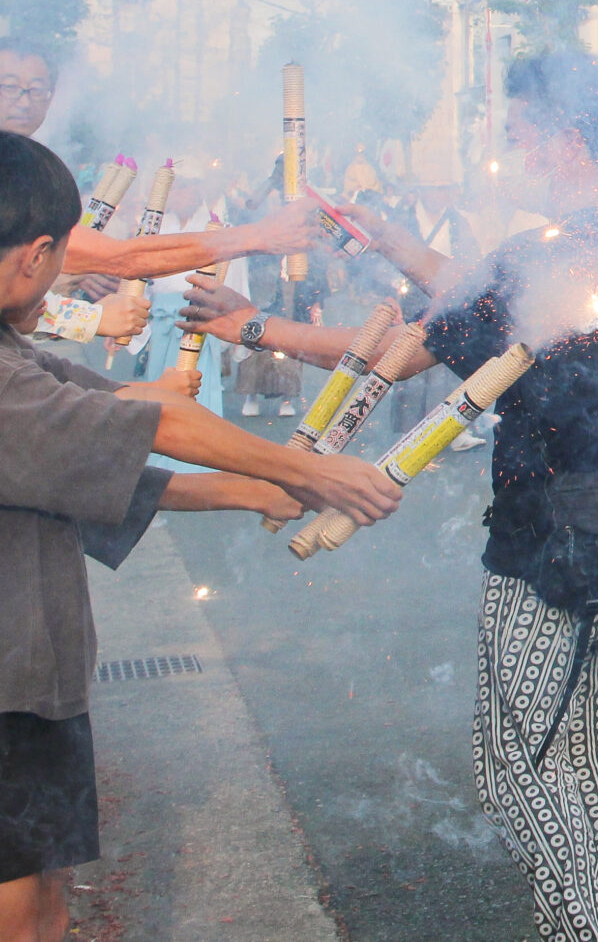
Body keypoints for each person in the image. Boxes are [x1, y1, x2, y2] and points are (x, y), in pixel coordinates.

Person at [0, 131, 400, 942]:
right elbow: (148, 419)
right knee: (15, 901)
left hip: (31, 680)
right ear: (34, 255)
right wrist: (316, 476)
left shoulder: (16, 356)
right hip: (4, 690)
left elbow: (98, 439)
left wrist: (250, 484)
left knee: (45, 893)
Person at [416, 50, 598, 942]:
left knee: (513, 766)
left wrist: (253, 321)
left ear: (569, 138)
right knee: (585, 764)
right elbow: (458, 308)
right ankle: (582, 928)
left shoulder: (560, 251)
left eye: (520, 133)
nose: (508, 151)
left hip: (554, 545)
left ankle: (585, 932)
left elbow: (445, 331)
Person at [0, 45, 316, 285]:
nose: (24, 101)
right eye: (9, 87)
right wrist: (257, 236)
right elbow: (121, 259)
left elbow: (49, 263)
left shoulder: (33, 164)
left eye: (36, 89)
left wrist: (73, 278)